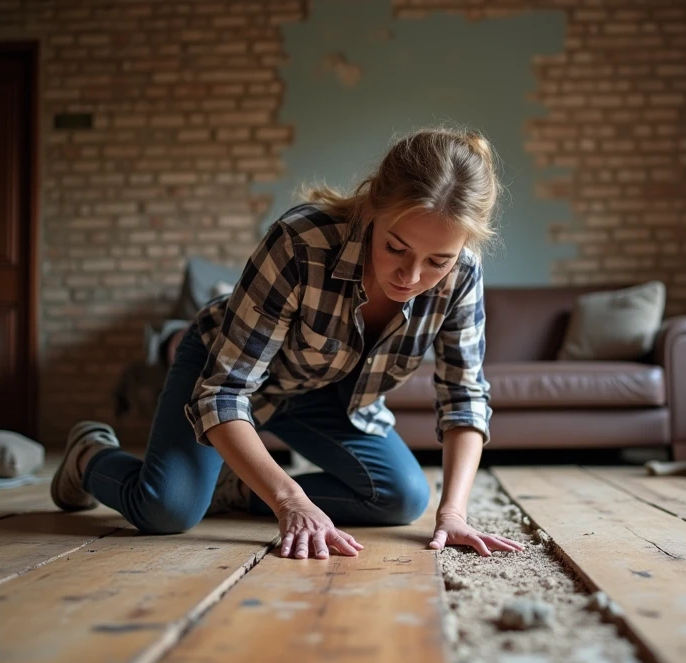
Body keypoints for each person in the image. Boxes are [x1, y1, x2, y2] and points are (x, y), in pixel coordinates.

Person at [50, 126, 524, 560]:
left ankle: (234, 488)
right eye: (396, 248)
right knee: (166, 512)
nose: (412, 276)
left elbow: (463, 397)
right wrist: (290, 501)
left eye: (437, 260)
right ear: (371, 211)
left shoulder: (463, 272)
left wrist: (454, 514)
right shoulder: (303, 241)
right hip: (229, 371)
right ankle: (88, 453)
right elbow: (223, 391)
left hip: (326, 392)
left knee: (401, 497)